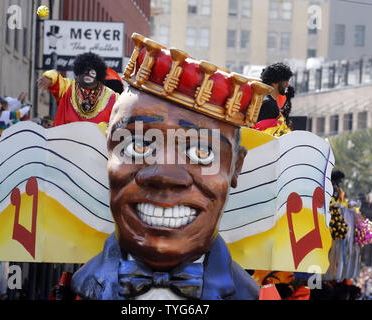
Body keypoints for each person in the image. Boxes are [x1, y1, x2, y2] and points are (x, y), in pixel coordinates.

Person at [68, 34, 273, 300]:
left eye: (201, 152)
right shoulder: (78, 289)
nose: (164, 174)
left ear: (235, 167)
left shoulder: (251, 295)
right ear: (108, 152)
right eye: (138, 145)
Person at [37, 52, 119, 127]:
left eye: (92, 72)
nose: (88, 74)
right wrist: (49, 77)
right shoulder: (66, 87)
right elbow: (56, 77)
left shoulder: (113, 97)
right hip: (64, 141)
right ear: (78, 72)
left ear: (98, 75)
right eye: (84, 71)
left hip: (97, 142)